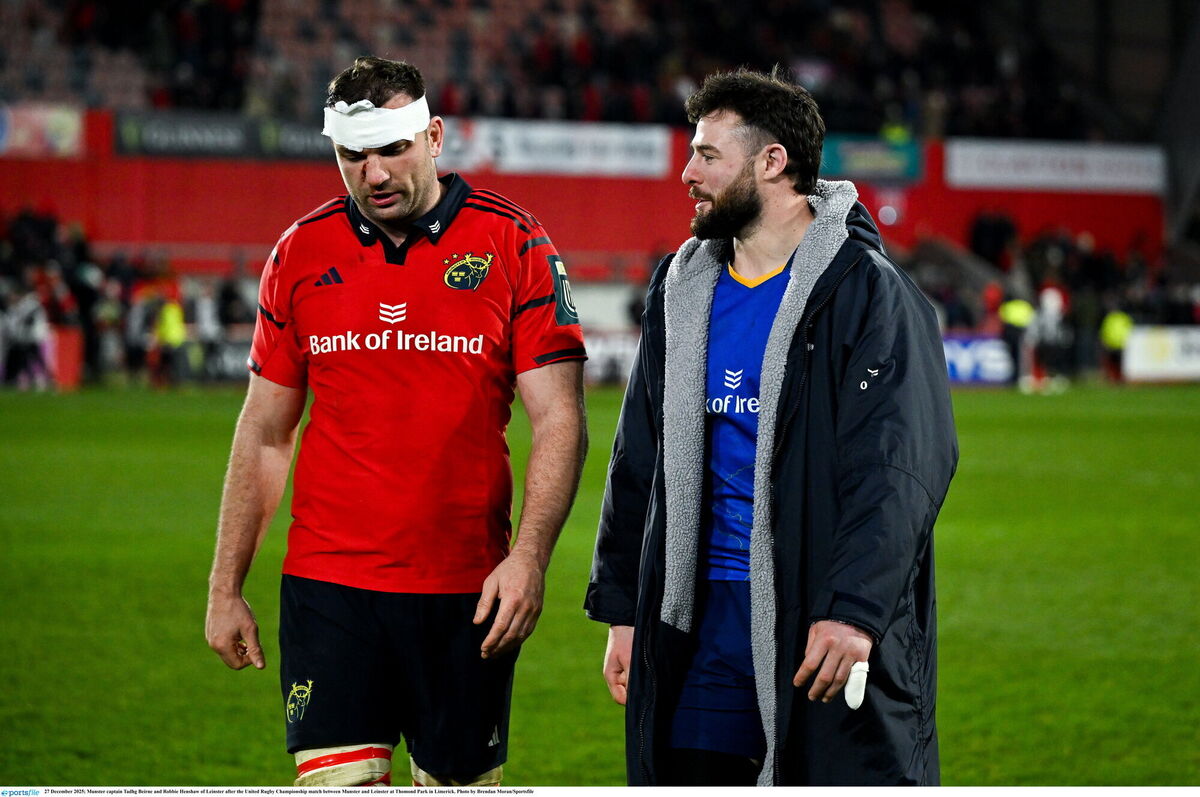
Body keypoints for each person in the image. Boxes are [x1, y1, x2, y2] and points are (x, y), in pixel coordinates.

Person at [205, 56, 588, 788]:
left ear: (434, 136)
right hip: (330, 587)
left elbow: (560, 418)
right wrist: (226, 586)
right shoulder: (299, 252)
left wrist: (530, 558)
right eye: (352, 155)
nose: (373, 173)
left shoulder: (514, 243)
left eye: (392, 149)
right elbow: (264, 433)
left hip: (466, 590)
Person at [585, 67, 958, 786]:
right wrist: (622, 609)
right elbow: (639, 457)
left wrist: (853, 610)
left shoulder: (867, 293)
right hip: (695, 632)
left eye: (707, 155)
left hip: (814, 622)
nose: (687, 173)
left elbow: (899, 469)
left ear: (773, 162)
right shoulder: (681, 286)